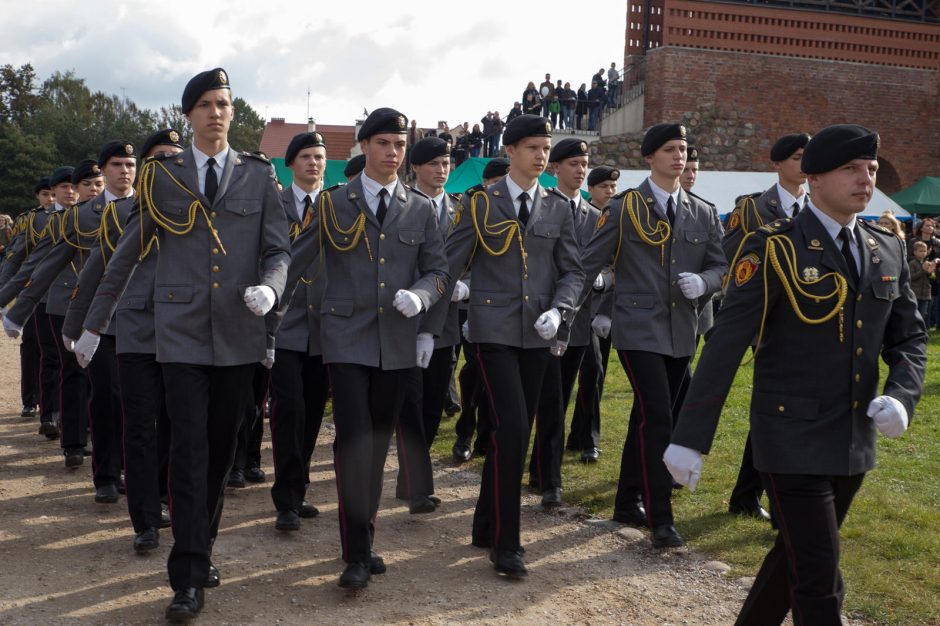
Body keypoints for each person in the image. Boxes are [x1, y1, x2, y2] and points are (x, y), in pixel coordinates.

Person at [665, 123, 927, 625]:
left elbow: (909, 338)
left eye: (870, 169)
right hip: (790, 437)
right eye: (850, 169)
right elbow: (724, 346)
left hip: (852, 438)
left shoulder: (885, 247)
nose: (865, 179)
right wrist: (690, 437)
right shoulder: (773, 248)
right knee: (821, 580)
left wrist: (902, 397)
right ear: (815, 177)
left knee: (793, 559)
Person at [72, 68, 290, 621]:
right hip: (180, 335)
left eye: (224, 104)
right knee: (189, 451)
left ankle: (202, 546)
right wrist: (95, 324)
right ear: (188, 114)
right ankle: (187, 575)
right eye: (206, 104)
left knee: (218, 455)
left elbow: (278, 250)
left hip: (238, 334)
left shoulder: (259, 176)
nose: (217, 112)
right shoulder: (162, 176)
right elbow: (128, 251)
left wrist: (272, 287)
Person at [274, 107, 448, 589]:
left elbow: (439, 270)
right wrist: (269, 308)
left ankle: (365, 536)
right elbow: (295, 260)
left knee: (375, 444)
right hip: (345, 339)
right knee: (354, 439)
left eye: (399, 145)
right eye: (383, 144)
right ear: (363, 147)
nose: (393, 153)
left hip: (395, 341)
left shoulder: (421, 206)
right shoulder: (334, 203)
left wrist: (422, 296)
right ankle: (355, 551)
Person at [426, 114, 584, 578]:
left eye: (546, 148)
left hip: (537, 334)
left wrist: (561, 309)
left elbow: (573, 270)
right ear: (511, 150)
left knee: (511, 431)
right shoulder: (480, 203)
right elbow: (449, 267)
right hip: (491, 333)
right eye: (533, 147)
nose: (541, 156)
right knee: (513, 428)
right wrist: (428, 328)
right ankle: (506, 543)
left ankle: (484, 520)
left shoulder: (558, 206)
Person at [577, 123, 727, 548]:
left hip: (683, 330)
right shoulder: (624, 207)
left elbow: (721, 266)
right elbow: (590, 264)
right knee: (658, 415)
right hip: (638, 328)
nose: (678, 156)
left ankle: (626, 500)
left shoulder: (702, 210)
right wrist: (570, 311)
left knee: (649, 417)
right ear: (649, 158)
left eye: (682, 149)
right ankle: (661, 516)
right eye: (668, 149)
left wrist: (705, 281)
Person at [63, 129, 185, 551]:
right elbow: (105, 268)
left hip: (184, 331)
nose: (169, 165)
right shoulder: (133, 208)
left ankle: (167, 497)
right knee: (138, 423)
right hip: (135, 327)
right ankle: (146, 519)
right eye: (160, 159)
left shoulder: (202, 211)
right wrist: (82, 326)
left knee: (174, 421)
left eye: (176, 157)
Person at [9, 144, 135, 504]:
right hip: (89, 314)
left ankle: (135, 470)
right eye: (115, 165)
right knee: (102, 390)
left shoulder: (151, 207)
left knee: (139, 399)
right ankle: (101, 467)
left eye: (130, 164)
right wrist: (13, 308)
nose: (123, 172)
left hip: (141, 316)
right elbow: (40, 264)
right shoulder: (79, 217)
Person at [722, 132, 811, 520]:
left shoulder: (819, 206)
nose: (804, 165)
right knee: (776, 411)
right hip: (768, 324)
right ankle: (767, 496)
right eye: (796, 158)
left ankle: (748, 493)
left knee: (790, 413)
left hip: (811, 324)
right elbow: (732, 261)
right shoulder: (754, 209)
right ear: (777, 164)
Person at [530, 139, 602, 508]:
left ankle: (541, 470)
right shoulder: (541, 206)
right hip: (543, 315)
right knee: (549, 399)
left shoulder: (593, 215)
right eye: (573, 163)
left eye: (585, 163)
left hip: (579, 319)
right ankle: (549, 479)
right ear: (554, 168)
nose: (580, 169)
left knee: (564, 394)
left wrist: (602, 279)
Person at [265, 131, 331, 532]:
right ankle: (286, 498)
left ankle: (299, 484)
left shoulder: (338, 205)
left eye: (319, 157)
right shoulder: (273, 205)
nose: (313, 163)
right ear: (290, 164)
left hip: (325, 324)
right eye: (305, 156)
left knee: (311, 412)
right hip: (284, 323)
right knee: (288, 409)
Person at [394, 136, 461, 513]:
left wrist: (467, 285)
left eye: (446, 163)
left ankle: (409, 478)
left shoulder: (462, 210)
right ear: (416, 168)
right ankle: (418, 484)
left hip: (446, 321)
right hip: (406, 316)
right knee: (410, 403)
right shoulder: (401, 206)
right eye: (433, 163)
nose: (441, 170)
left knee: (434, 402)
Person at [0, 169, 70, 441]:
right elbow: (19, 261)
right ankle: (43, 409)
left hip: (78, 298)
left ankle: (71, 418)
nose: (53, 198)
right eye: (48, 193)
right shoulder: (33, 221)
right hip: (42, 295)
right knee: (41, 353)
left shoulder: (91, 216)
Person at [450, 156, 510, 463]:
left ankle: (489, 433)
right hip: (468, 303)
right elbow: (459, 252)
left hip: (505, 306)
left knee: (496, 376)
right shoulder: (473, 203)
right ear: (486, 183)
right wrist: (467, 287)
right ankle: (466, 432)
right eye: (496, 182)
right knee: (474, 372)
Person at [566, 166, 621, 457]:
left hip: (602, 307)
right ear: (592, 190)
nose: (610, 192)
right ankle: (584, 438)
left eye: (613, 187)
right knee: (589, 369)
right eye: (604, 187)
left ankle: (584, 436)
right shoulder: (580, 215)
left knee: (595, 373)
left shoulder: (618, 218)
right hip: (575, 303)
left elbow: (620, 266)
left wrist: (608, 305)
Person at [909, 240, 936, 321]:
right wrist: (923, 270)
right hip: (915, 294)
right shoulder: (912, 263)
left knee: (923, 314)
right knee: (914, 314)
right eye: (920, 251)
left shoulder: (928, 263)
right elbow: (911, 277)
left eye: (924, 251)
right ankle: (913, 331)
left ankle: (922, 331)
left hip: (926, 294)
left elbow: (932, 278)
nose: (923, 253)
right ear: (914, 252)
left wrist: (930, 273)